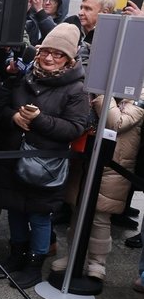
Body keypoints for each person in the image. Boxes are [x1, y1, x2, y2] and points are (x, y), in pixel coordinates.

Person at [0, 23, 90, 289]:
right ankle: (16, 254)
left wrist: (39, 120)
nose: (48, 58)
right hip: (14, 157)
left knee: (38, 215)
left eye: (57, 54)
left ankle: (35, 264)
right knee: (14, 209)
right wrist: (13, 116)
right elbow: (0, 108)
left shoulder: (76, 90)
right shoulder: (25, 76)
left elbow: (75, 128)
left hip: (46, 164)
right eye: (45, 51)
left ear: (69, 59)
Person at [50, 94, 144, 280]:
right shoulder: (92, 90)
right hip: (86, 158)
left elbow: (117, 123)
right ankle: (73, 255)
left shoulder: (136, 96)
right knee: (78, 210)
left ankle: (97, 262)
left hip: (115, 166)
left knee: (101, 216)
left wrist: (103, 96)